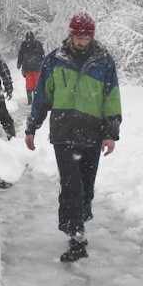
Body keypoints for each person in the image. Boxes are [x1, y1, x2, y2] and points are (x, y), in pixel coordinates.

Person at [24, 13, 122, 262]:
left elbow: (111, 98)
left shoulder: (104, 61)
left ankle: (78, 217)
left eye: (87, 36)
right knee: (71, 184)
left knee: (85, 187)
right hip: (63, 133)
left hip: (92, 133)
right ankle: (75, 235)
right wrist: (32, 127)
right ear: (71, 33)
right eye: (78, 35)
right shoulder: (55, 60)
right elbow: (42, 97)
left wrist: (110, 134)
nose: (82, 41)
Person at [17, 31, 45, 104]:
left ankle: (35, 100)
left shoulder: (37, 45)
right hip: (29, 68)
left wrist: (19, 63)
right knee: (31, 85)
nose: (29, 40)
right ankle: (31, 100)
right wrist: (19, 63)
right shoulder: (24, 45)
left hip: (34, 68)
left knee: (34, 84)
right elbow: (20, 55)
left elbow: (42, 55)